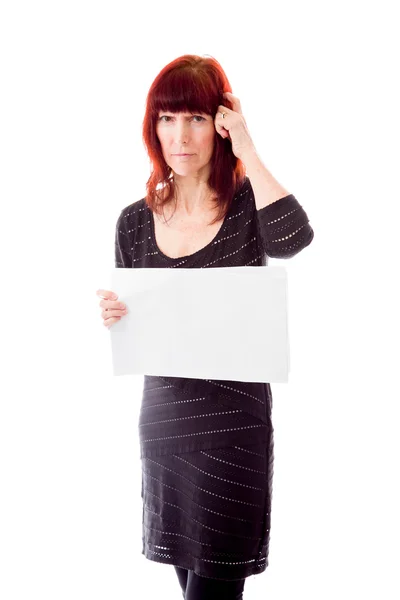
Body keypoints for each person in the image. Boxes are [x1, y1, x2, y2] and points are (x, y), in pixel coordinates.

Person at [96, 54, 314, 599]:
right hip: (167, 424)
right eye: (167, 119)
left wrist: (248, 147)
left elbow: (294, 239)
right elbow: (148, 325)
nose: (180, 135)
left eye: (195, 117)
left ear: (219, 123)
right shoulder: (133, 220)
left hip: (233, 427)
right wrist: (117, 317)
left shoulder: (246, 207)